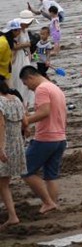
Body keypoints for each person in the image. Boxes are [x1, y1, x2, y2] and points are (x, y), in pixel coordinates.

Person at [19, 64, 67, 214]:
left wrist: (26, 120)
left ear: (31, 77)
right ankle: (51, 205)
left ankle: (48, 202)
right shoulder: (54, 87)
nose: (27, 88)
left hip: (46, 138)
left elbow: (44, 112)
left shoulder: (42, 89)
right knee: (50, 176)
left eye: (26, 84)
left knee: (25, 170)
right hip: (60, 137)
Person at [0, 76, 26, 229]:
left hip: (5, 146)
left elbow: (1, 125)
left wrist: (1, 148)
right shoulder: (16, 99)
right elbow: (25, 121)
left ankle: (12, 216)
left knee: (3, 185)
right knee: (4, 184)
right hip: (17, 144)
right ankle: (12, 215)